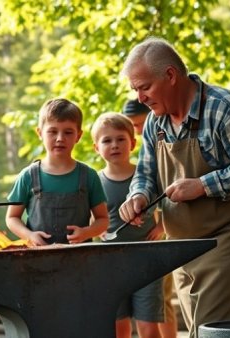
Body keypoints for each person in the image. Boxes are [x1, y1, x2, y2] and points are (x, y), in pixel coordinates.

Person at [118, 37, 230, 338]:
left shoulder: (226, 109)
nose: (139, 97)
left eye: (144, 87)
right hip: (181, 246)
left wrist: (203, 185)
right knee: (199, 331)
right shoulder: (154, 122)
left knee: (211, 332)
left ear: (171, 76)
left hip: (225, 238)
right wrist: (138, 195)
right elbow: (147, 174)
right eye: (135, 89)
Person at [91, 112, 164, 338]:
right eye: (107, 140)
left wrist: (161, 228)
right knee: (118, 327)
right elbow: (92, 219)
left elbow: (168, 205)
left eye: (120, 139)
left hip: (148, 262)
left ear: (132, 143)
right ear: (96, 147)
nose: (114, 145)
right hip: (110, 264)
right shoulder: (95, 181)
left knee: (148, 327)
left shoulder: (147, 177)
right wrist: (97, 230)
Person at [5, 98, 109, 246]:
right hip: (38, 259)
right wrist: (29, 235)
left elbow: (103, 220)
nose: (60, 138)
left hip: (81, 260)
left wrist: (86, 232)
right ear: (40, 133)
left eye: (68, 132)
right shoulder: (28, 176)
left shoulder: (89, 176)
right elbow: (12, 218)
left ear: (78, 136)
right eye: (52, 132)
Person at [123, 98, 179, 338]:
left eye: (139, 123)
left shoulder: (164, 146)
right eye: (132, 125)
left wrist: (161, 226)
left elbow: (169, 196)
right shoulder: (136, 170)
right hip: (137, 244)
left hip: (161, 237)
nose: (138, 129)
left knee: (163, 300)